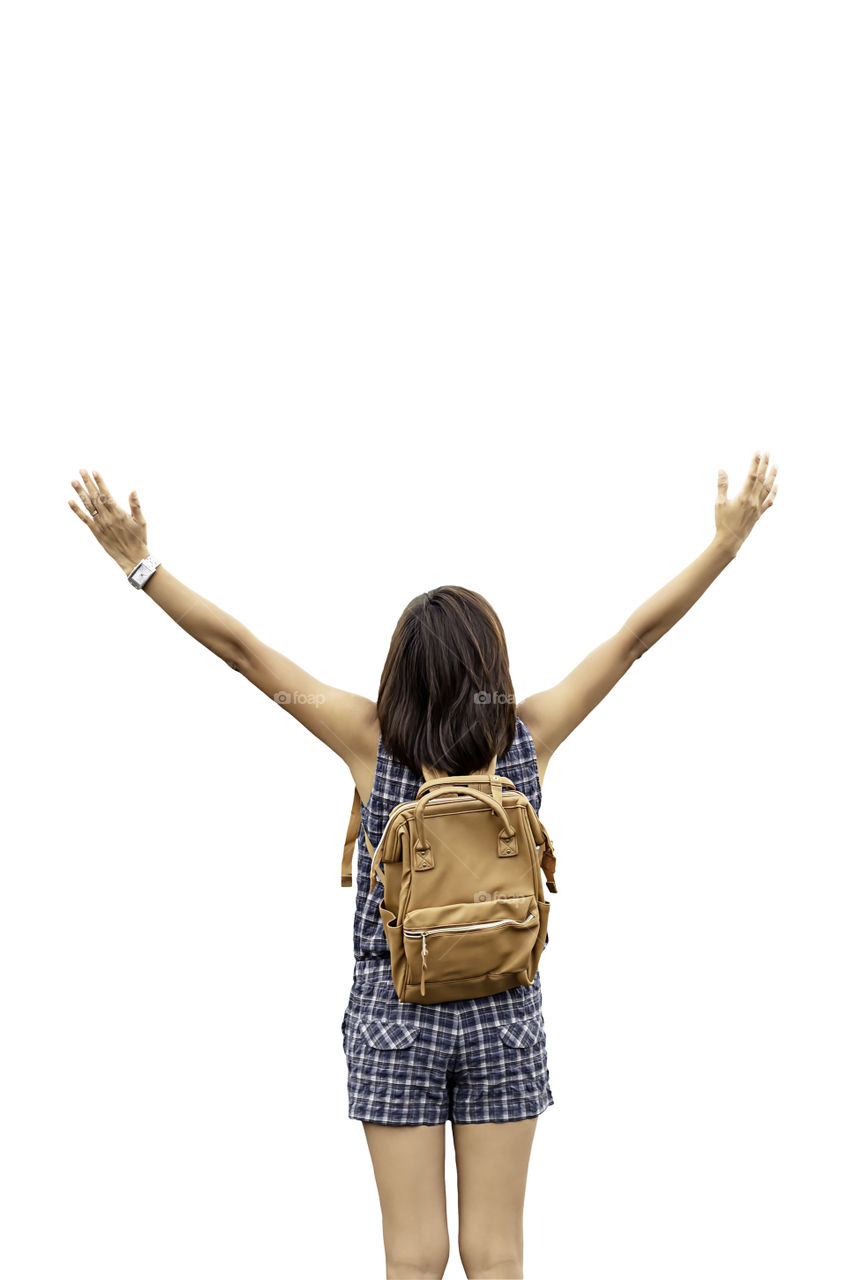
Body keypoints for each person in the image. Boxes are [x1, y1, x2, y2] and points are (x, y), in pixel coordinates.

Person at [68, 452, 778, 1279]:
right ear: (491, 666)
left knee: (412, 1259)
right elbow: (631, 644)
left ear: (400, 668)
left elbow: (246, 656)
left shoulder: (366, 741)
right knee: (496, 1255)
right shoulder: (529, 737)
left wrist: (140, 565)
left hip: (392, 1013)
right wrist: (726, 547)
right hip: (505, 1010)